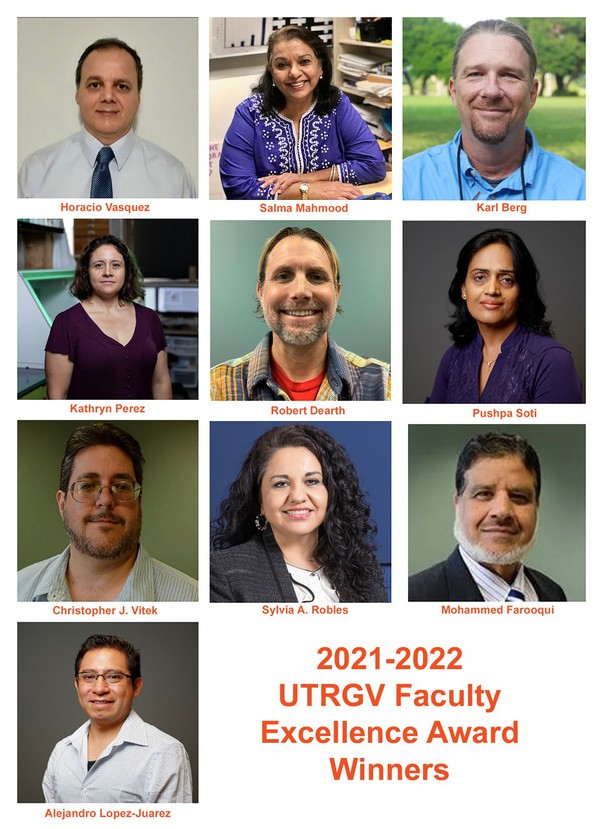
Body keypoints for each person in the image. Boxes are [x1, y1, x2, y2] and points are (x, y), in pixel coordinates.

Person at [403, 19, 585, 200]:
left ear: (532, 94)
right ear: (454, 90)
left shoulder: (581, 191)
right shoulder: (407, 181)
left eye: (508, 75)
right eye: (476, 74)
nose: (491, 91)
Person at [18, 423, 198, 601]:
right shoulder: (16, 589)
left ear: (139, 501)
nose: (105, 500)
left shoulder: (193, 597)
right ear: (62, 503)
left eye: (121, 486)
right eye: (87, 486)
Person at [211, 424, 388, 602]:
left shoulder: (362, 565)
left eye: (311, 481)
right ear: (260, 501)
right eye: (281, 484)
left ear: (331, 493)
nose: (297, 496)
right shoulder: (225, 572)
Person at [210, 226, 391, 400]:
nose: (300, 291)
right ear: (260, 291)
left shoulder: (385, 385)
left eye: (317, 277)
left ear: (337, 292)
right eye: (283, 276)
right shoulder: (215, 388)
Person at [219, 24, 387, 200]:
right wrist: (306, 190)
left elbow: (373, 165)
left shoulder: (337, 104)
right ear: (272, 73)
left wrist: (304, 178)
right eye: (282, 65)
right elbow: (237, 188)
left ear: (320, 66)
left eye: (304, 61)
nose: (294, 72)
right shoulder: (249, 113)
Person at [18, 37, 196, 198]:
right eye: (95, 85)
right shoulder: (36, 172)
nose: (108, 96)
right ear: (78, 95)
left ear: (138, 98)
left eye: (122, 86)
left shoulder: (174, 178)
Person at [426, 228, 582, 403]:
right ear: (463, 288)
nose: (492, 290)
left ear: (521, 290)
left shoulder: (552, 360)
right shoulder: (453, 358)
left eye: (506, 279)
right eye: (479, 277)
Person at [409, 432, 567, 602]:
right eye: (484, 494)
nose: (502, 511)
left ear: (536, 506)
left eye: (518, 496)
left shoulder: (553, 594)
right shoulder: (414, 596)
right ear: (458, 504)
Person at [43, 634, 193, 802]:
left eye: (114, 676)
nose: (99, 688)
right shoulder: (61, 752)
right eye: (89, 677)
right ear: (77, 684)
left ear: (136, 686)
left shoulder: (165, 753)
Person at [45, 234, 172, 400]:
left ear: (127, 271)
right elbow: (57, 395)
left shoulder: (149, 318)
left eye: (116, 265)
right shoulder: (66, 323)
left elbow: (161, 382)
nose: (107, 272)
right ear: (86, 273)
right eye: (98, 265)